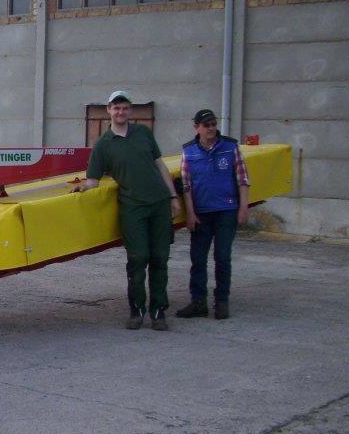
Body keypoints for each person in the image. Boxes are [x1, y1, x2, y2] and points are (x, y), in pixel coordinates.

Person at [73, 91, 182, 331]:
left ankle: (158, 311)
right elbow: (93, 180)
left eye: (124, 108)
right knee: (137, 258)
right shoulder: (103, 145)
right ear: (108, 111)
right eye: (116, 108)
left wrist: (173, 196)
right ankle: (136, 310)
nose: (120, 112)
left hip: (159, 203)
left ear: (130, 110)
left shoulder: (143, 133)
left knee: (160, 258)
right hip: (133, 208)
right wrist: (82, 187)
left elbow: (160, 165)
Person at [175, 109, 251, 320]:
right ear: (197, 128)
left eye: (213, 124)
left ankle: (222, 302)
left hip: (226, 211)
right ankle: (198, 302)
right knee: (198, 259)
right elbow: (186, 186)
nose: (211, 128)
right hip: (201, 213)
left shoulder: (230, 147)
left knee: (222, 257)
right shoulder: (188, 151)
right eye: (206, 125)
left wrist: (243, 208)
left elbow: (243, 180)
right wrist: (190, 213)